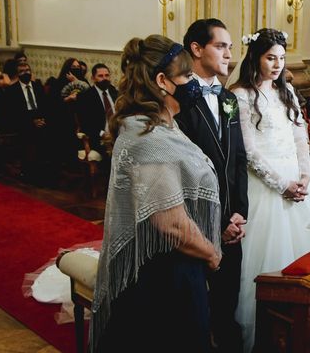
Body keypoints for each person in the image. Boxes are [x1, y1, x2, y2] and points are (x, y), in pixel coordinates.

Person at [90, 35, 222, 353]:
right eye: (187, 76)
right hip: (163, 278)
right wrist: (211, 252)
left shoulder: (161, 125)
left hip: (171, 266)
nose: (194, 83)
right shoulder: (148, 137)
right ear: (162, 81)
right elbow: (170, 223)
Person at [229, 28, 310, 352]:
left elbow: (300, 137)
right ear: (256, 57)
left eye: (281, 58)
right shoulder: (241, 95)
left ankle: (306, 322)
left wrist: (305, 175)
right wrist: (282, 184)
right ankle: (269, 332)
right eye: (270, 57)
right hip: (265, 186)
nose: (277, 64)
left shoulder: (288, 91)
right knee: (269, 260)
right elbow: (249, 151)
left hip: (299, 181)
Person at [175, 18, 248, 353]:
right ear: (196, 49)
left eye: (230, 47)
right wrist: (217, 224)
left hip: (231, 220)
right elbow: (183, 172)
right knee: (194, 307)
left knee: (228, 298)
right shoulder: (178, 101)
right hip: (197, 222)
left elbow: (238, 159)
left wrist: (238, 214)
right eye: (221, 46)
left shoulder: (229, 98)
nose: (229, 54)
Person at [76, 63, 118, 158]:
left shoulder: (114, 92)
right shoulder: (85, 97)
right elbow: (85, 124)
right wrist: (102, 134)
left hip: (118, 135)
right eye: (100, 76)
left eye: (107, 75)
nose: (105, 78)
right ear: (93, 78)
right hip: (99, 138)